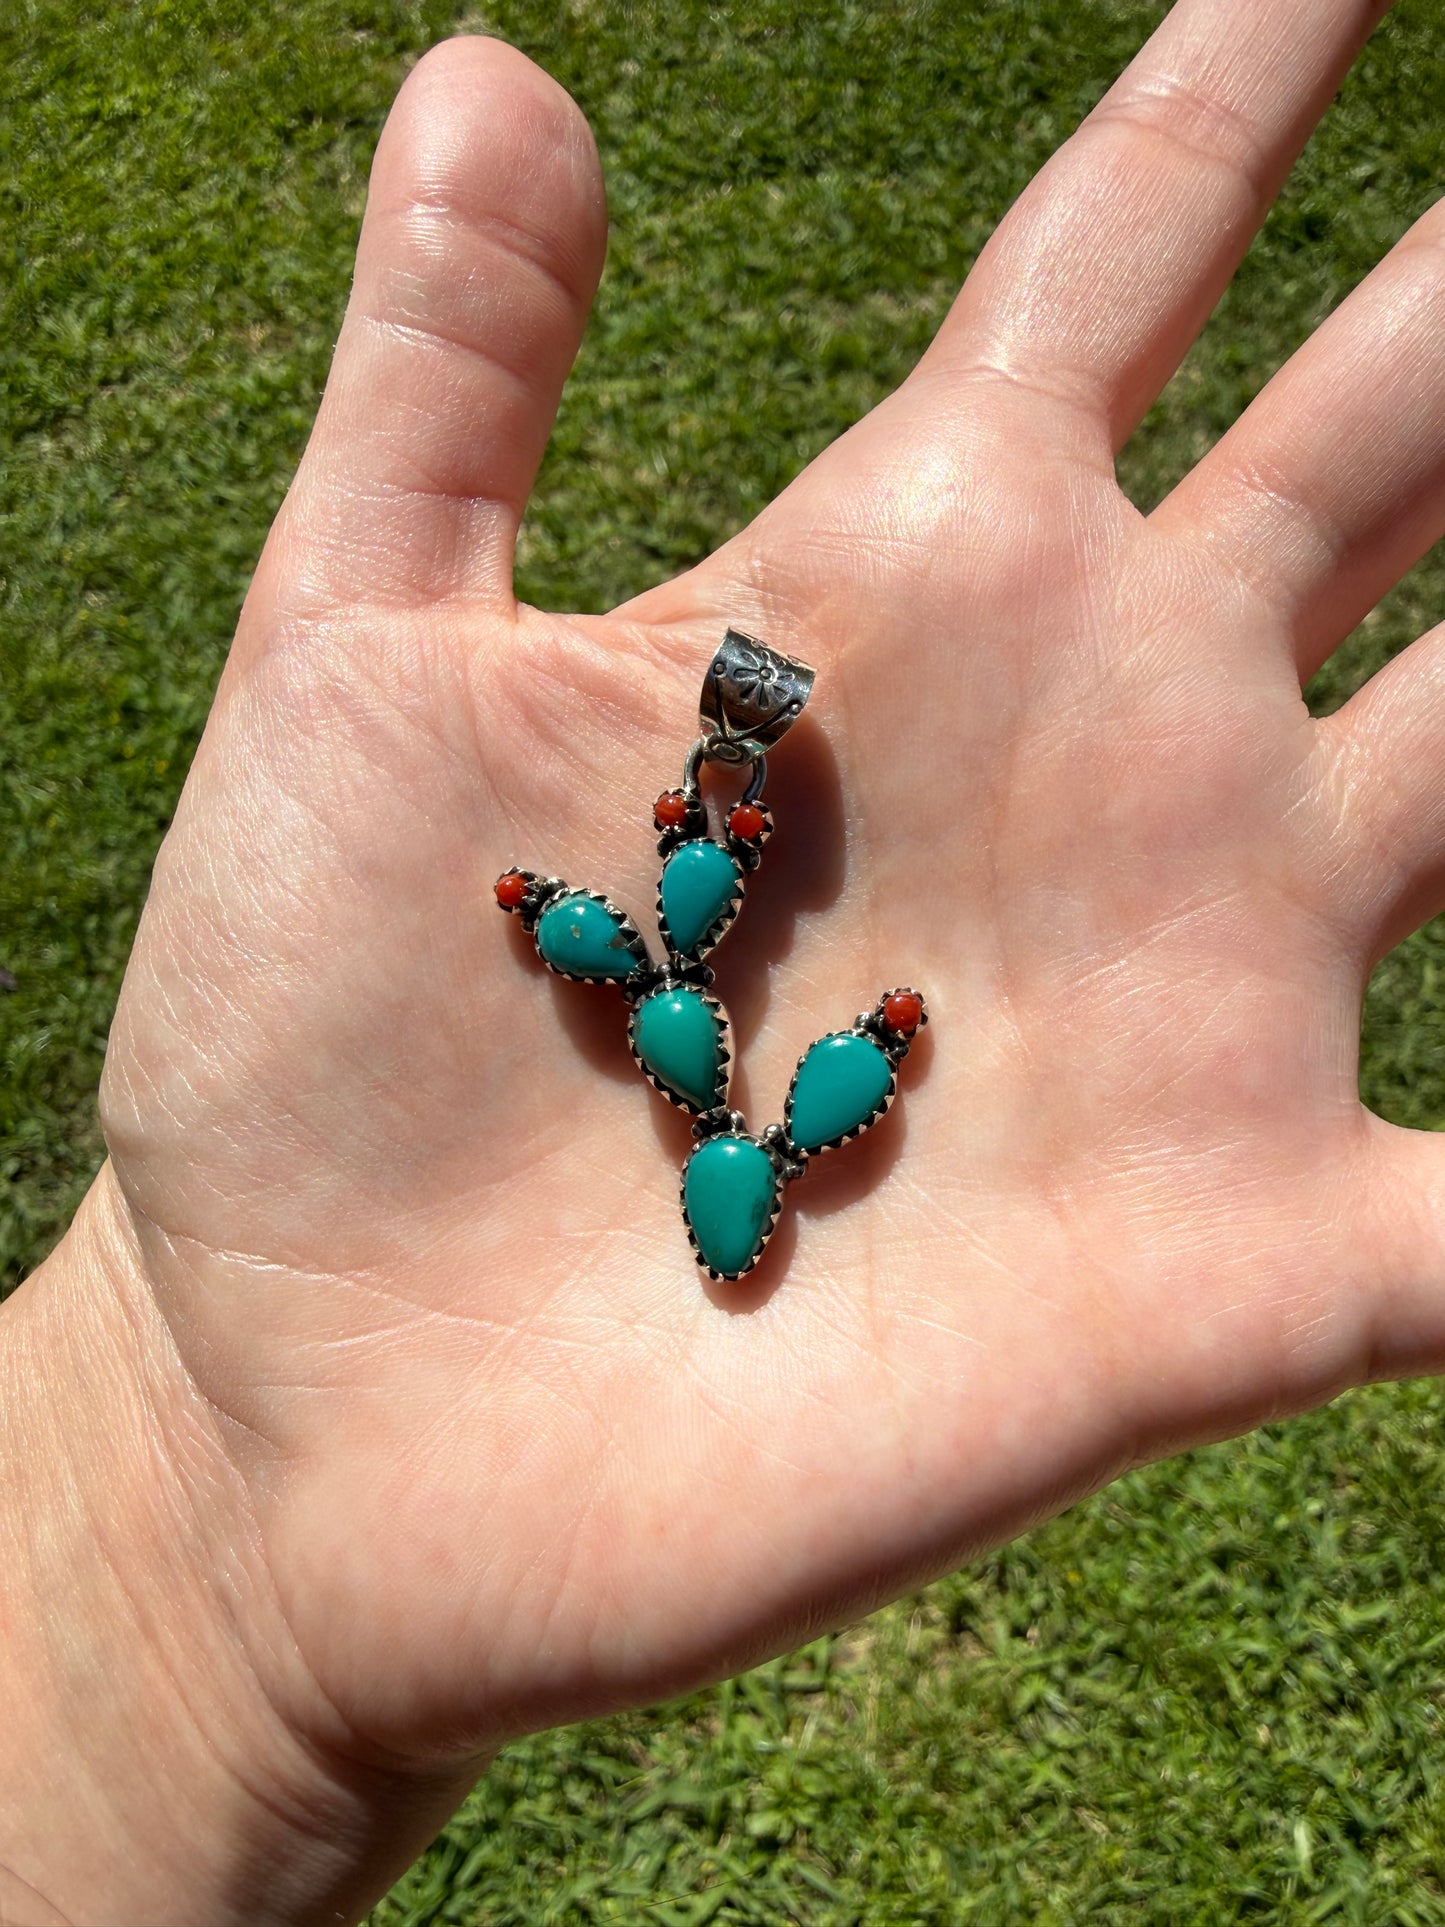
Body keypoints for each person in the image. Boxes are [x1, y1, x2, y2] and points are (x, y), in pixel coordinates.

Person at [3, 0, 1442, 1919]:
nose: (735, 1233)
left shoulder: (694, 984)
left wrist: (181, 1541)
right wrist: (172, 1468)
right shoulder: (688, 979)